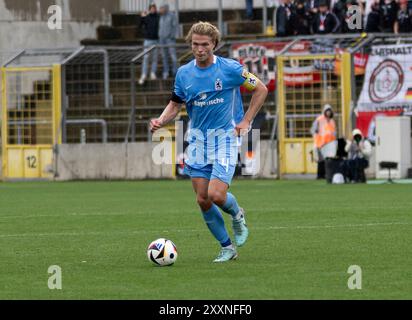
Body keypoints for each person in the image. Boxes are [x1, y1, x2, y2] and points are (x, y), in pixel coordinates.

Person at [150, 22, 268, 262]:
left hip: (224, 138)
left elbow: (261, 89)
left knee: (216, 194)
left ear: (214, 44)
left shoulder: (231, 69)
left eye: (204, 44)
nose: (199, 49)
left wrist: (246, 120)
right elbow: (175, 103)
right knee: (202, 199)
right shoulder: (184, 73)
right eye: (195, 44)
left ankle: (237, 215)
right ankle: (227, 247)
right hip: (198, 141)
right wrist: (162, 120)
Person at [310, 104, 337, 179]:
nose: (328, 113)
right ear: (324, 111)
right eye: (327, 111)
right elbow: (313, 130)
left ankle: (326, 174)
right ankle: (320, 175)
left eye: (329, 111)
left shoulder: (332, 121)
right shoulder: (320, 119)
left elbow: (334, 132)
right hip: (321, 143)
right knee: (320, 160)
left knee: (327, 160)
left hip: (329, 144)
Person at [139, 3, 160, 85]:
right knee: (146, 58)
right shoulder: (146, 17)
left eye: (154, 8)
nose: (153, 10)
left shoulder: (158, 17)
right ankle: (144, 74)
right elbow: (139, 26)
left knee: (154, 58)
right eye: (151, 8)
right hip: (147, 40)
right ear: (149, 9)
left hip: (156, 40)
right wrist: (142, 17)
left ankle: (152, 73)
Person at [159, 4, 178, 80]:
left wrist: (171, 36)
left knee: (173, 56)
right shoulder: (161, 17)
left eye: (161, 8)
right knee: (164, 56)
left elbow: (175, 27)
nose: (160, 10)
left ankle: (175, 72)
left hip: (170, 40)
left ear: (166, 8)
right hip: (161, 40)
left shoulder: (172, 15)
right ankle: (166, 72)